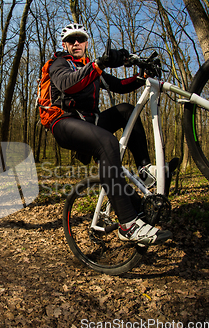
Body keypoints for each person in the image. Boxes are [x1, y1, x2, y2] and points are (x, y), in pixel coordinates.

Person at [49, 23, 175, 245]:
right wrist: (98, 64)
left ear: (86, 43)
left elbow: (120, 84)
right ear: (65, 45)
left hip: (91, 123)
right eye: (71, 40)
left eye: (80, 39)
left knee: (127, 111)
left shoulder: (91, 69)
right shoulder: (59, 63)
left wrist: (141, 76)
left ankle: (144, 169)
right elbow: (68, 85)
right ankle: (127, 225)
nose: (76, 43)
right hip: (63, 122)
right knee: (108, 142)